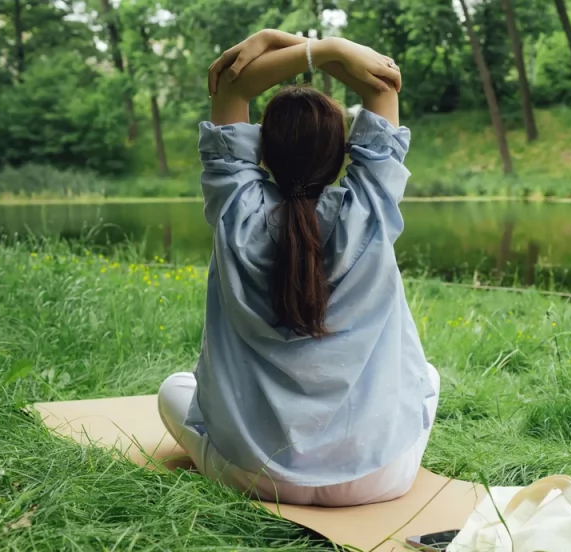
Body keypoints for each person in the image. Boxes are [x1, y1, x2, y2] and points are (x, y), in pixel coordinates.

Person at [156, 29, 439, 507]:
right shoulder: (369, 209)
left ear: (260, 151)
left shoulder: (236, 213)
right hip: (380, 475)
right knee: (427, 376)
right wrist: (330, 47)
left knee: (173, 390)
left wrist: (282, 42)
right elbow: (382, 85)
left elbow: (232, 88)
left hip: (252, 473)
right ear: (343, 154)